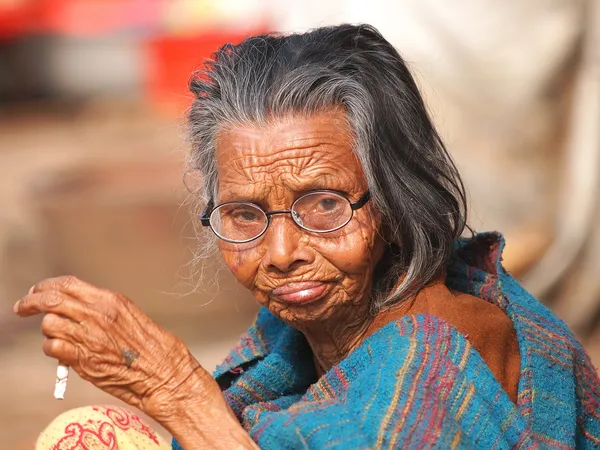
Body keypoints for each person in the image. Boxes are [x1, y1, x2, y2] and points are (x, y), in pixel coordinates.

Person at [15, 24, 600, 449]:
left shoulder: (437, 358)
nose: (281, 254)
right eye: (245, 215)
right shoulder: (292, 338)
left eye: (324, 205)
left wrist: (176, 391)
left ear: (398, 201)